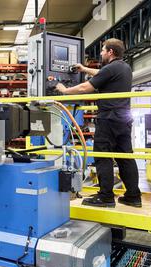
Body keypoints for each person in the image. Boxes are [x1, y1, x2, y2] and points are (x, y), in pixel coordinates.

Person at [55, 38, 142, 208]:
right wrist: (84, 68)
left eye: (103, 50)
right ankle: (133, 196)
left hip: (108, 118)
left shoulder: (111, 68)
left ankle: (106, 197)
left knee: (102, 156)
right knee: (125, 157)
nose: (101, 53)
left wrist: (64, 91)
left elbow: (84, 88)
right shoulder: (124, 67)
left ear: (110, 52)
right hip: (123, 119)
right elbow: (102, 75)